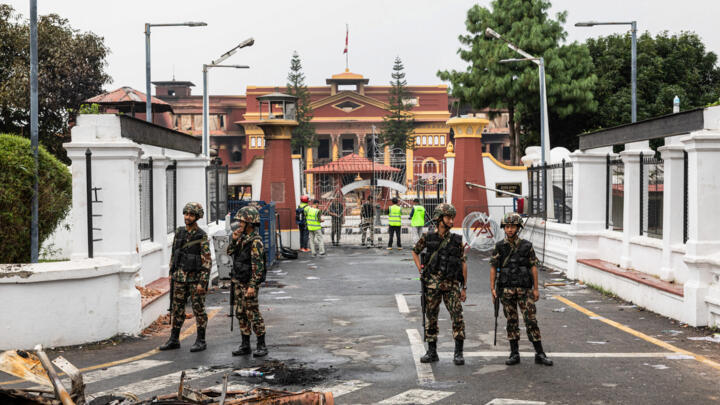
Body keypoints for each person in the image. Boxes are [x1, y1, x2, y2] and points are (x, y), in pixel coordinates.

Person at [490, 212, 553, 367]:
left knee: (531, 320)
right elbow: (493, 268)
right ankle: (514, 353)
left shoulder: (526, 246)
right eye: (507, 227)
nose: (510, 229)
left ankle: (540, 353)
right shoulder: (499, 246)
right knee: (511, 321)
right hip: (506, 290)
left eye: (513, 227)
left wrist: (536, 289)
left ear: (518, 228)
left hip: (525, 290)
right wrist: (492, 288)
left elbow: (533, 268)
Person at [411, 203, 467, 365]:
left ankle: (458, 352)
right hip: (432, 285)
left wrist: (464, 287)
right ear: (439, 219)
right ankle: (432, 351)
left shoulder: (457, 240)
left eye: (452, 218)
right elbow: (415, 251)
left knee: (457, 317)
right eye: (448, 217)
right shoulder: (428, 238)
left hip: (451, 285)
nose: (451, 221)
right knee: (431, 318)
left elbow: (463, 264)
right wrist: (420, 270)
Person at [160, 202, 211, 352]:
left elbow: (206, 260)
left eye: (191, 215)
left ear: (197, 217)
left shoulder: (201, 235)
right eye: (186, 214)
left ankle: (201, 340)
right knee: (177, 310)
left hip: (195, 279)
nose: (187, 217)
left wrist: (203, 282)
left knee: (198, 310)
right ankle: (174, 339)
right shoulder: (179, 232)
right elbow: (174, 253)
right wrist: (171, 273)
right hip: (180, 278)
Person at [228, 206, 268, 357]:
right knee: (241, 313)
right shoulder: (242, 238)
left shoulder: (256, 242)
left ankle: (261, 344)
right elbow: (229, 252)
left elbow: (258, 266)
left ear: (250, 223)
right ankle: (245, 345)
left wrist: (252, 285)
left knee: (253, 313)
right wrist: (234, 240)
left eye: (242, 222)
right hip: (238, 281)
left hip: (248, 284)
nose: (239, 224)